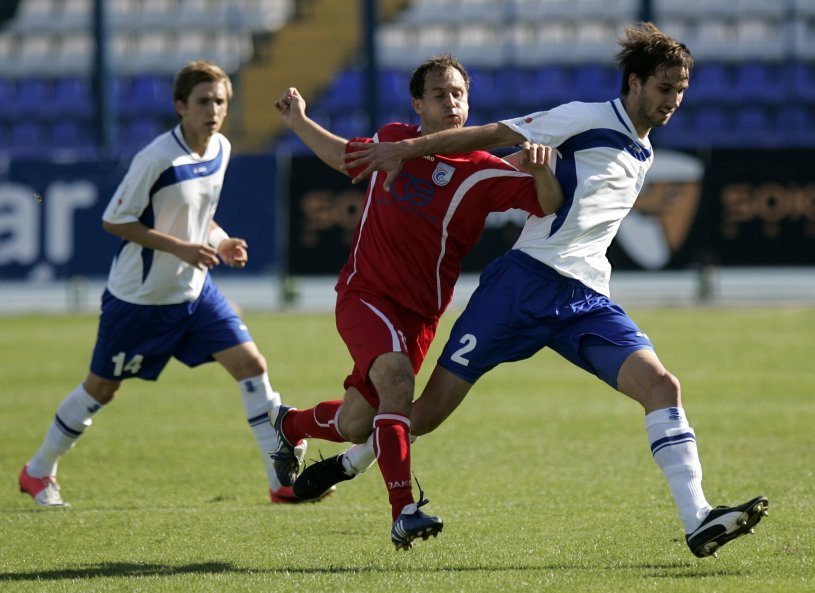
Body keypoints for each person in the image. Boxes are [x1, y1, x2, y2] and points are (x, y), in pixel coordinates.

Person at [299, 22, 769, 559]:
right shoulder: (583, 118)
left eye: (681, 90)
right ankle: (350, 461)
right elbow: (490, 136)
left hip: (585, 300)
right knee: (423, 413)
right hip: (520, 287)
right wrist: (412, 151)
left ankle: (698, 519)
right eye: (665, 89)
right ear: (634, 83)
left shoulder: (645, 155)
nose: (673, 101)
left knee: (663, 387)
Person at [272, 54, 563, 549]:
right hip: (365, 293)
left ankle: (291, 422)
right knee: (397, 382)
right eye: (439, 94)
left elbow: (549, 203)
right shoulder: (393, 141)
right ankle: (403, 511)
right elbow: (345, 155)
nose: (451, 102)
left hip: (420, 314)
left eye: (458, 94)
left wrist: (541, 170)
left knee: (355, 421)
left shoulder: (481, 171)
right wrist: (298, 120)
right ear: (417, 104)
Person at [18, 60, 311, 507]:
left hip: (194, 292)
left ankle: (279, 479)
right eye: (202, 102)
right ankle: (38, 471)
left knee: (252, 365)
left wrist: (221, 240)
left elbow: (200, 216)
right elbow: (115, 220)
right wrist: (181, 248)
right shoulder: (157, 158)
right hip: (139, 299)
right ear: (180, 106)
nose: (212, 110)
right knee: (101, 389)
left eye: (220, 102)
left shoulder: (221, 150)